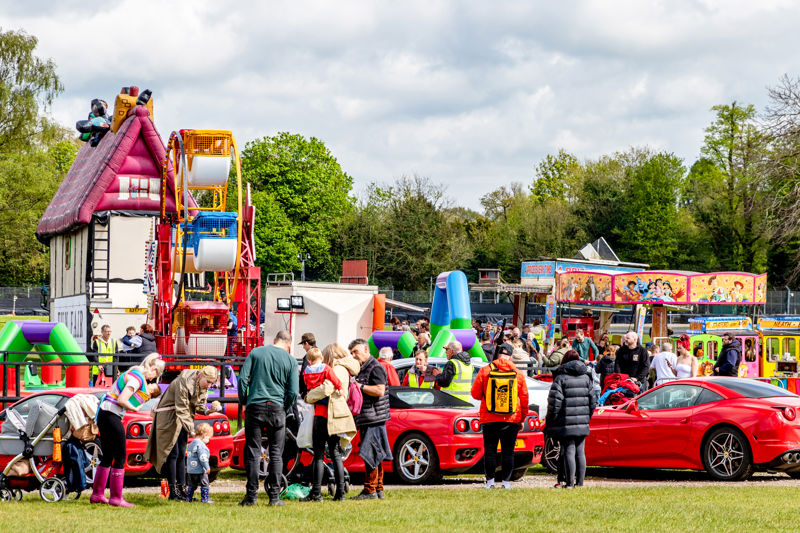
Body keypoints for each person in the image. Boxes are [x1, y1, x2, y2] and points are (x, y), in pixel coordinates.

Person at [91, 353, 164, 507]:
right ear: (152, 367)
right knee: (120, 456)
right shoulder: (137, 380)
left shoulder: (133, 372)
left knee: (107, 455)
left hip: (105, 413)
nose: (153, 378)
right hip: (112, 414)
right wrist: (135, 408)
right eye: (156, 373)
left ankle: (97, 494)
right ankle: (116, 498)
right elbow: (122, 400)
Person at [237, 330, 298, 506]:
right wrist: (284, 408)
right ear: (288, 345)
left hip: (255, 406)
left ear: (274, 340)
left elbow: (242, 380)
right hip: (277, 408)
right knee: (276, 454)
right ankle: (274, 497)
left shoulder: (256, 352)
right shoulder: (290, 360)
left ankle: (251, 496)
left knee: (253, 451)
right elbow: (293, 391)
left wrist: (244, 401)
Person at [146, 365, 221, 502]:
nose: (209, 386)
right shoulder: (184, 381)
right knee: (172, 454)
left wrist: (209, 411)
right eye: (208, 382)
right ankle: (173, 491)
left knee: (182, 453)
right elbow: (181, 408)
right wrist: (192, 430)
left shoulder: (201, 384)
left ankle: (183, 490)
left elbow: (197, 406)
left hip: (183, 418)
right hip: (169, 416)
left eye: (212, 383)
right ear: (201, 376)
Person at [303, 343, 359, 502]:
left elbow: (326, 389)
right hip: (335, 415)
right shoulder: (346, 369)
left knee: (319, 455)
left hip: (323, 414)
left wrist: (308, 397)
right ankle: (340, 492)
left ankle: (316, 493)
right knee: (335, 454)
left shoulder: (335, 369)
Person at [470, 343, 529, 489]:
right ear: (510, 356)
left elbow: (475, 394)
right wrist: (522, 419)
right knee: (508, 452)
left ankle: (490, 482)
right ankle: (506, 483)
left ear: (497, 355)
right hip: (511, 419)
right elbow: (525, 399)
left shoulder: (485, 371)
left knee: (490, 451)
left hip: (489, 418)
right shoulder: (517, 373)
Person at [545, 349, 596, 489]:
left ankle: (569, 483)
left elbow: (555, 403)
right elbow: (593, 401)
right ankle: (580, 483)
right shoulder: (586, 377)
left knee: (568, 450)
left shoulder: (560, 378)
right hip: (582, 420)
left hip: (565, 421)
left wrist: (550, 422)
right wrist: (587, 417)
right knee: (580, 451)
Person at [349, 338, 392, 500]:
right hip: (370, 416)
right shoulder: (363, 367)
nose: (354, 355)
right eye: (351, 353)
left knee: (371, 453)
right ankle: (378, 488)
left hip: (373, 416)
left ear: (366, 350)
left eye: (356, 352)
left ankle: (370, 490)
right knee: (376, 453)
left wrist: (359, 386)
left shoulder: (375, 367)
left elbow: (380, 390)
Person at [185, 423, 214, 503]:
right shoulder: (201, 446)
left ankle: (188, 498)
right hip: (200, 470)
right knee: (205, 484)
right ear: (204, 435)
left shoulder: (190, 444)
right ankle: (205, 499)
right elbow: (203, 458)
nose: (208, 440)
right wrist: (207, 467)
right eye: (208, 438)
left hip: (191, 470)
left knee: (191, 485)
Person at [298, 332, 317, 398]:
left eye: (303, 345)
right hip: (316, 392)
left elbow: (304, 375)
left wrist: (301, 391)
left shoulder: (309, 356)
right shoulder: (319, 354)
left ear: (306, 343)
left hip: (308, 393)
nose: (303, 347)